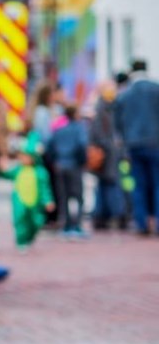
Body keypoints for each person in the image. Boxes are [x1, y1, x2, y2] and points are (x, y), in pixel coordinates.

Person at [114, 59, 159, 235]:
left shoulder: (125, 94)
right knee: (157, 184)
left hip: (134, 145)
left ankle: (141, 224)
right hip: (156, 143)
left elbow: (118, 124)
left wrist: (124, 140)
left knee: (139, 185)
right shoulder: (156, 89)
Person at [0, 132, 55, 249]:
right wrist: (2, 168)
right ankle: (21, 241)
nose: (24, 159)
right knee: (20, 221)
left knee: (37, 221)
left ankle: (30, 237)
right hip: (20, 201)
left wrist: (48, 201)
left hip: (35, 202)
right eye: (22, 156)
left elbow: (45, 189)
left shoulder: (40, 172)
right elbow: (7, 174)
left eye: (27, 157)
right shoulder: (18, 170)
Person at [88, 79, 128, 230]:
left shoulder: (109, 108)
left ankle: (102, 216)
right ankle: (114, 215)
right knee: (110, 185)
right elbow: (98, 134)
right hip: (106, 156)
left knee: (105, 186)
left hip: (108, 155)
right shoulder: (102, 110)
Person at [45, 104, 89, 238]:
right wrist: (81, 161)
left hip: (60, 165)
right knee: (77, 196)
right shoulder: (79, 129)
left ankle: (65, 224)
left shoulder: (59, 130)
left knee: (62, 197)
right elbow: (82, 146)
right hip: (74, 165)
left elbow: (49, 146)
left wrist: (55, 161)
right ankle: (76, 225)